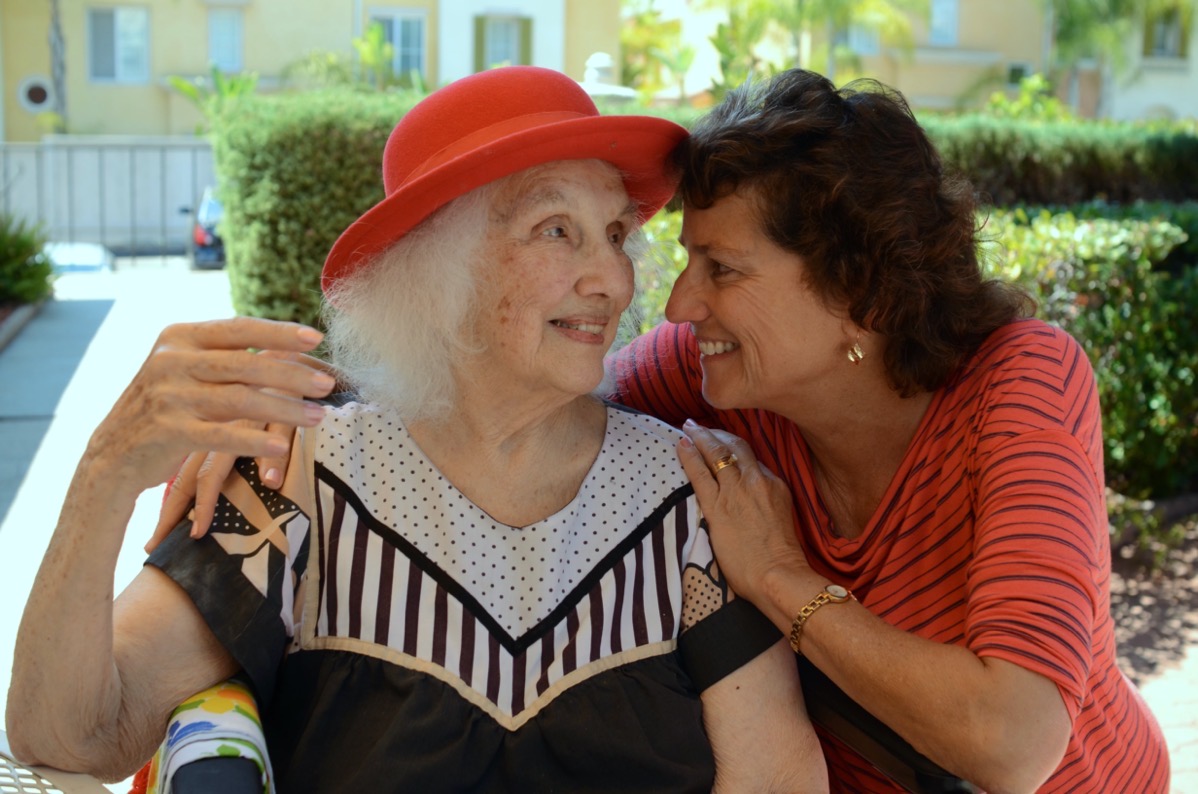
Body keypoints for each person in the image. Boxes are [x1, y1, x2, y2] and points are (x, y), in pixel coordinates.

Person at [169, 68, 1172, 793]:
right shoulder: (710, 380)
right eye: (681, 259)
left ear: (856, 287)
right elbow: (498, 370)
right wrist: (292, 406)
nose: (677, 301)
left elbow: (1011, 744)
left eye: (722, 270)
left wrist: (780, 579)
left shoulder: (1018, 381)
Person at [5, 66, 828, 792]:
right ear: (440, 268)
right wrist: (105, 471)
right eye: (556, 230)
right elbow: (73, 735)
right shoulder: (301, 476)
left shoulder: (689, 497)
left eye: (616, 234)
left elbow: (778, 775)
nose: (613, 278)